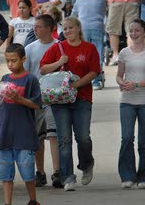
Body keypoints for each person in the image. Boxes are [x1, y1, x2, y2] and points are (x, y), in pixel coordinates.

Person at [40, 17, 100, 192]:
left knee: (83, 137)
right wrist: (59, 62)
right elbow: (43, 69)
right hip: (61, 100)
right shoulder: (57, 48)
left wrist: (76, 85)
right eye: (64, 29)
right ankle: (68, 177)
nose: (67, 31)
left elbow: (95, 71)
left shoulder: (89, 48)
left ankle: (87, 164)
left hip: (82, 98)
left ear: (79, 28)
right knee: (64, 139)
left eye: (71, 28)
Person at [0, 43, 42, 205]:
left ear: (23, 59)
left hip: (24, 134)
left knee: (28, 173)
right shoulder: (4, 79)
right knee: (5, 174)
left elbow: (37, 104)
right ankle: (7, 202)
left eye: (13, 60)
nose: (10, 64)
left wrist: (19, 99)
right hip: (4, 133)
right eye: (7, 61)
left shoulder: (31, 79)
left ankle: (33, 200)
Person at [116, 19, 145, 189]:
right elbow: (119, 75)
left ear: (144, 32)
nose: (133, 34)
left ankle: (144, 177)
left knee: (144, 141)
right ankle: (127, 175)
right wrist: (122, 82)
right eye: (131, 31)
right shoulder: (124, 53)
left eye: (137, 31)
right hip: (127, 101)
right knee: (126, 138)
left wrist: (136, 84)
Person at [24, 15, 61, 188]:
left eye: (39, 26)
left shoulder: (58, 47)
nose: (35, 29)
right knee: (38, 137)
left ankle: (57, 171)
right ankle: (40, 172)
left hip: (54, 98)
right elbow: (27, 73)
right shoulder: (30, 48)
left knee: (53, 135)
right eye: (35, 26)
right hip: (36, 98)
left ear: (49, 28)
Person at [71, 0, 106, 90]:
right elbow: (104, 12)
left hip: (83, 27)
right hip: (97, 27)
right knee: (97, 54)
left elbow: (74, 14)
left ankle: (84, 80)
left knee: (84, 54)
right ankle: (96, 81)